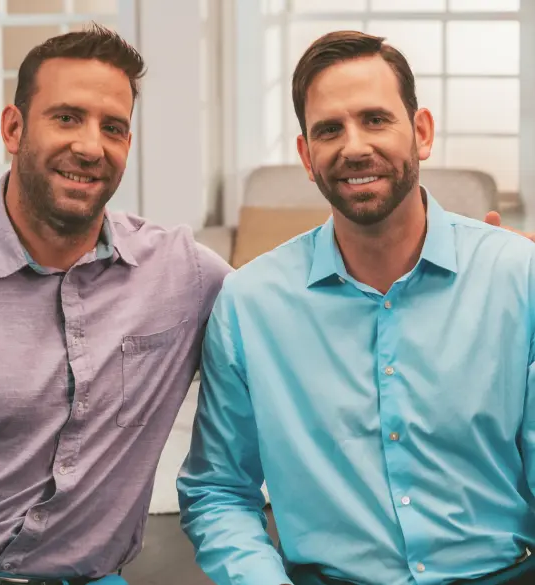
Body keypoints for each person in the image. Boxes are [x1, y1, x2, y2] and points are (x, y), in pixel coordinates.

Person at [177, 31, 535, 585]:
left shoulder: (518, 277)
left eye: (375, 119)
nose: (354, 147)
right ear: (306, 156)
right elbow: (219, 490)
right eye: (328, 129)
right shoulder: (250, 306)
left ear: (421, 133)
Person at [0, 24, 230, 585]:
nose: (90, 145)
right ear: (13, 127)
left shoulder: (183, 274)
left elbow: (288, 325)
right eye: (66, 117)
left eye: (114, 127)